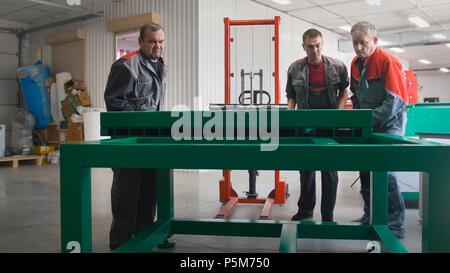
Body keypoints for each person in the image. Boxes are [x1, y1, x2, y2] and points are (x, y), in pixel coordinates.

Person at [104, 22, 166, 250]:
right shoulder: (126, 66)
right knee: (126, 195)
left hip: (151, 141)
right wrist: (143, 122)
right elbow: (114, 102)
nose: (157, 46)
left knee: (149, 192)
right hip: (128, 141)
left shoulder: (159, 65)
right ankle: (120, 244)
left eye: (160, 41)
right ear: (140, 42)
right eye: (152, 41)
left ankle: (144, 237)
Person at [349, 21, 407, 239]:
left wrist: (367, 119)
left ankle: (394, 225)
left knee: (387, 174)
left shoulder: (388, 62)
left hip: (390, 123)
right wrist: (358, 117)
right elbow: (355, 94)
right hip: (367, 123)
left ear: (375, 41)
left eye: (363, 43)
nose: (358, 48)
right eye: (355, 43)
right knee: (365, 170)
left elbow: (396, 102)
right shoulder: (355, 63)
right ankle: (369, 215)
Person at [286, 29, 349, 222]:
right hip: (305, 123)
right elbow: (291, 96)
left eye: (318, 45)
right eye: (311, 46)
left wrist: (337, 116)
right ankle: (305, 210)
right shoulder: (294, 68)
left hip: (329, 125)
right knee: (306, 169)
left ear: (323, 44)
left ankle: (327, 215)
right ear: (303, 46)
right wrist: (291, 119)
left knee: (329, 171)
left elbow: (344, 91)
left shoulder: (337, 66)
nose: (315, 50)